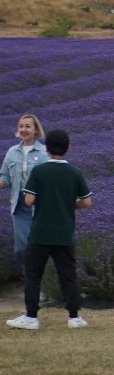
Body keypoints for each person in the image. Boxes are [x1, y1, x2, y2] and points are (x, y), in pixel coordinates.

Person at [8, 127, 90, 331]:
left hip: (40, 232)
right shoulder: (75, 173)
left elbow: (28, 199)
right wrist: (68, 203)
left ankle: (31, 317)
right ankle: (74, 317)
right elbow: (87, 202)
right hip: (64, 233)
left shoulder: (39, 171)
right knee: (68, 275)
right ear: (68, 148)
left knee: (34, 274)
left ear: (46, 149)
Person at [4, 113, 49, 281]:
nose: (24, 130)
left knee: (40, 246)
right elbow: (5, 178)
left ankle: (40, 282)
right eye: (21, 126)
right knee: (21, 248)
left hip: (40, 206)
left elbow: (50, 179)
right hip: (19, 206)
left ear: (36, 130)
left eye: (28, 126)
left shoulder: (44, 152)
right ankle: (32, 277)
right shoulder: (11, 152)